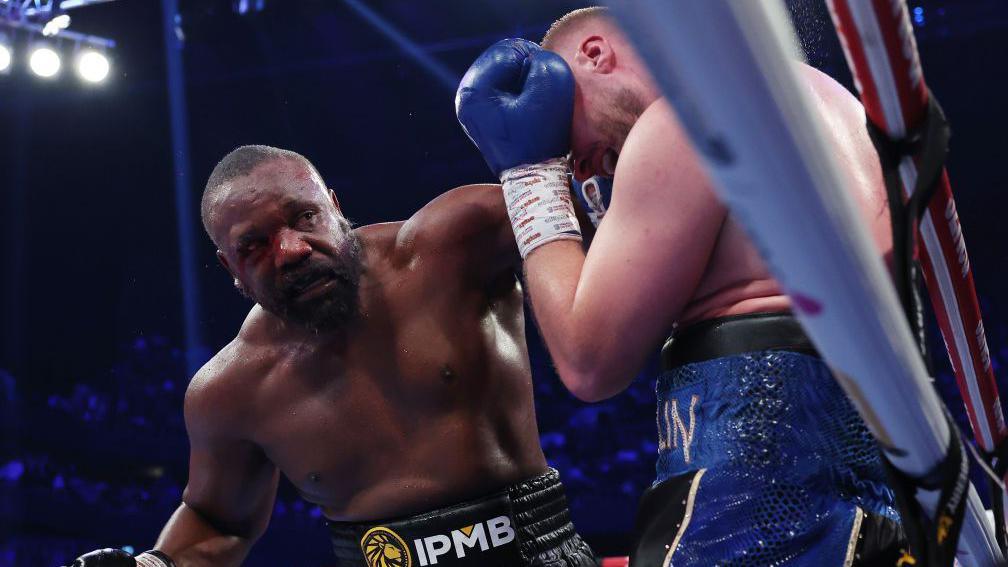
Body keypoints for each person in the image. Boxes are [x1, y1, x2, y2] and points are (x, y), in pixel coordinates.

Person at [455, 6, 905, 566]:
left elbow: (589, 361)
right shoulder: (830, 100)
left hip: (756, 480)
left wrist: (531, 175)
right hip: (871, 479)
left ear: (593, 55)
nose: (583, 169)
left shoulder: (683, 119)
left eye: (566, 138)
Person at [69, 145, 597, 567]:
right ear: (229, 267)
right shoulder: (229, 391)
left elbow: (611, 199)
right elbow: (219, 522)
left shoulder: (449, 248)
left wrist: (545, 153)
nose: (292, 249)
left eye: (304, 217)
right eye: (254, 245)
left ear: (335, 208)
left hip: (537, 551)